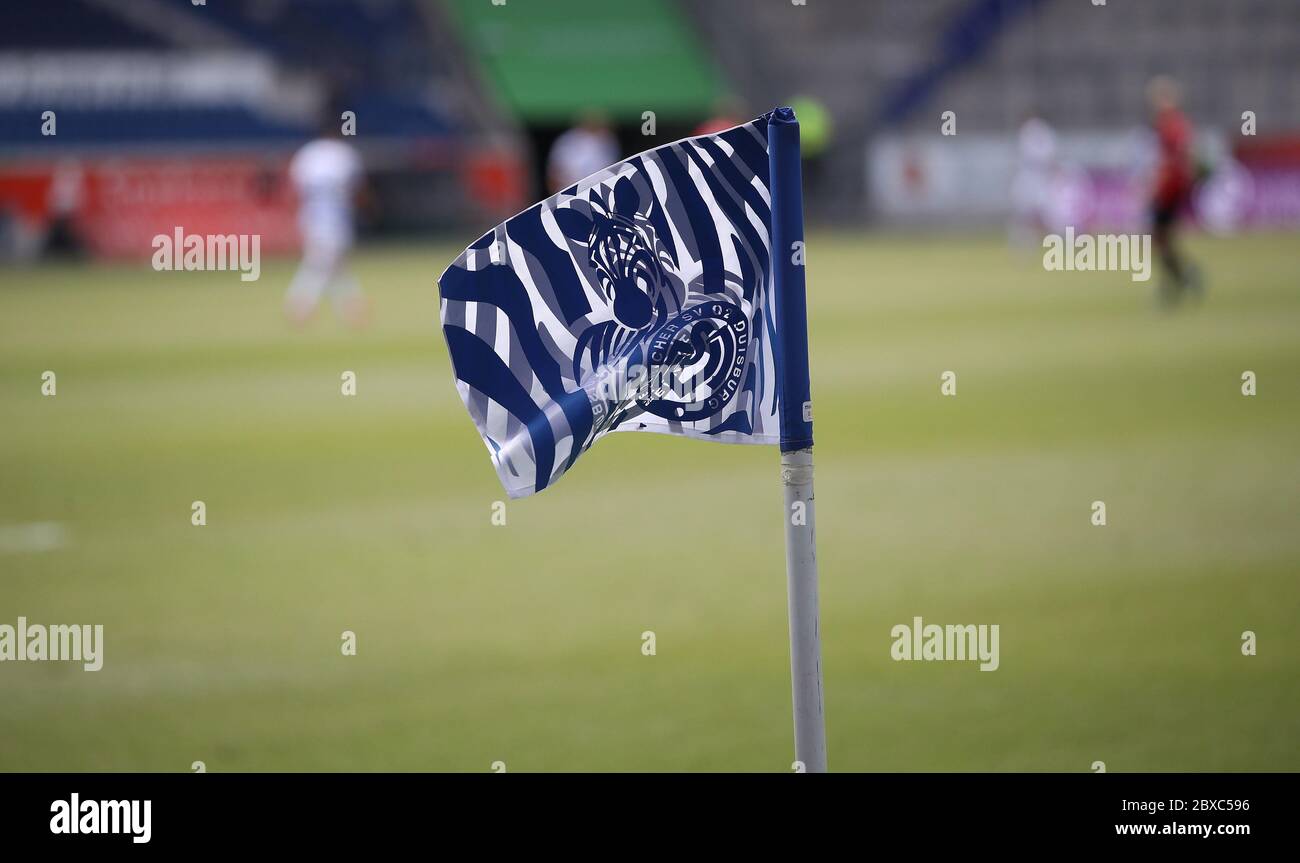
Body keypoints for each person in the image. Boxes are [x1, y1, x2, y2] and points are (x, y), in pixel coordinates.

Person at [285, 116, 368, 327]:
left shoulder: (307, 154)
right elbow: (358, 190)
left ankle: (352, 308)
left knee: (332, 264)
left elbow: (294, 191)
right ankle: (299, 304)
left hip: (311, 217)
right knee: (322, 264)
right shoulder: (344, 154)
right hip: (336, 219)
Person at [1146, 76, 1202, 306]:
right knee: (1162, 239)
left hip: (1170, 190)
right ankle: (1182, 277)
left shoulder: (1171, 125)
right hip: (1171, 188)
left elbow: (1178, 158)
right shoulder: (1171, 124)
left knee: (1160, 238)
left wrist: (1156, 187)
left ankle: (1179, 280)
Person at [547, 112, 619, 194]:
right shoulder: (566, 141)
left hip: (597, 193)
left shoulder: (608, 141)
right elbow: (553, 174)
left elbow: (611, 173)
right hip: (567, 194)